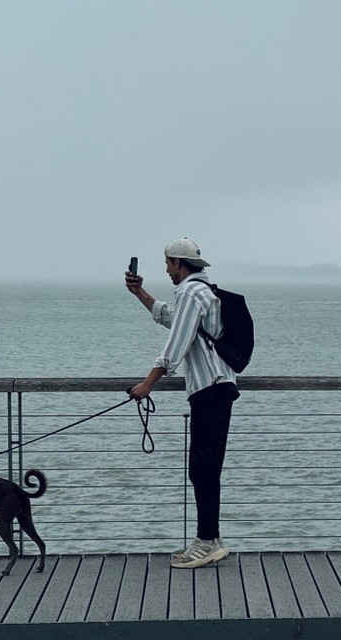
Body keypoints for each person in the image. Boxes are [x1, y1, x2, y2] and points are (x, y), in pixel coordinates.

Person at [126, 236, 239, 569]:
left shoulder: (191, 292)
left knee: (203, 471)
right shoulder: (203, 292)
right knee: (204, 470)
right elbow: (172, 318)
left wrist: (148, 383)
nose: (166, 270)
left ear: (177, 263)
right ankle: (210, 539)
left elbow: (175, 345)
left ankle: (208, 542)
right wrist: (139, 294)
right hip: (217, 389)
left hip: (211, 390)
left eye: (167, 263)